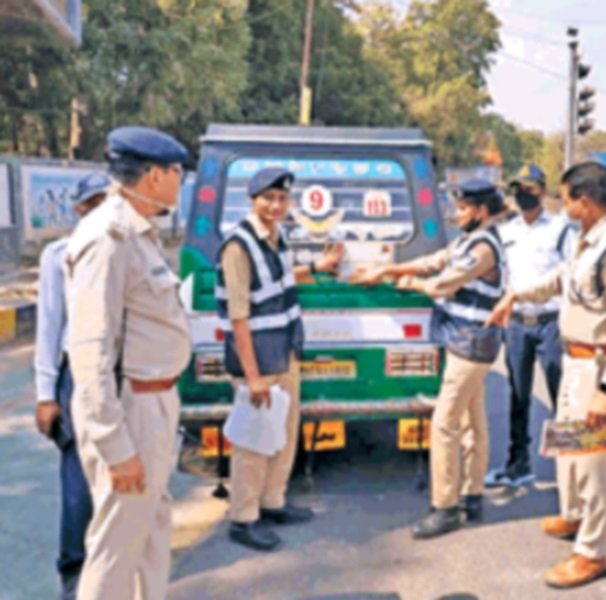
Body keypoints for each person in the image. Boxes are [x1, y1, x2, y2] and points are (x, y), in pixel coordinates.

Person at [486, 162, 606, 588]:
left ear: (586, 200)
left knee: (593, 462)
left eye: (566, 198)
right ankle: (574, 515)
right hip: (575, 360)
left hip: (597, 366)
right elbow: (561, 280)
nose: (562, 205)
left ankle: (592, 552)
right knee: (568, 450)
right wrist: (516, 294)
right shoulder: (588, 242)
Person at [64, 126, 191, 600]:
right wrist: (115, 445)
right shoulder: (108, 238)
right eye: (177, 172)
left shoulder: (139, 232)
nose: (181, 180)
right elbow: (90, 351)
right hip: (129, 409)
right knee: (116, 546)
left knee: (151, 533)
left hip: (154, 403)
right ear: (155, 176)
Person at [352, 179, 507, 540]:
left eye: (464, 208)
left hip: (470, 344)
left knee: (444, 424)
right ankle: (473, 498)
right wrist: (389, 270)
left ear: (482, 211)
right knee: (472, 422)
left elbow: (442, 282)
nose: (457, 213)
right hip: (466, 342)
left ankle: (445, 508)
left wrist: (408, 285)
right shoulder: (468, 240)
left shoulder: (484, 246)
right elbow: (432, 261)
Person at [216, 167, 343, 551]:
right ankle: (243, 518)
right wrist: (253, 377)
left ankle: (272, 502)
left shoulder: (276, 238)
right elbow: (238, 317)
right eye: (267, 198)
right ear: (253, 200)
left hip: (284, 354)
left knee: (283, 434)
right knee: (253, 443)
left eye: (281, 199)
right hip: (258, 361)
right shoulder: (238, 246)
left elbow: (282, 279)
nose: (275, 206)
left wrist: (318, 268)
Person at [34, 173, 109, 600]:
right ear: (79, 209)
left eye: (108, 200)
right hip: (76, 377)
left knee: (117, 481)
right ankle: (74, 571)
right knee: (79, 480)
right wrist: (47, 395)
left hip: (118, 377)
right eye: (93, 203)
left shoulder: (127, 251)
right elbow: (49, 326)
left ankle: (111, 567)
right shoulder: (59, 255)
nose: (102, 210)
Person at [484, 163, 576, 488]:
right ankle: (517, 463)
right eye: (518, 190)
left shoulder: (562, 230)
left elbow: (573, 278)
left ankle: (574, 470)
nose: (523, 195)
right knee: (518, 396)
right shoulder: (506, 232)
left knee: (564, 397)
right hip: (518, 324)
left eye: (530, 189)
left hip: (551, 324)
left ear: (543, 191)